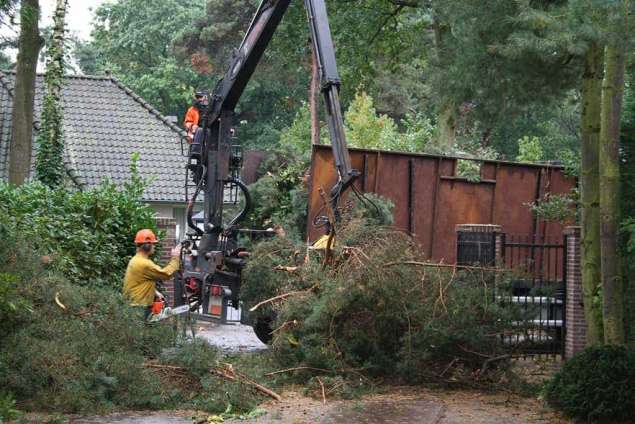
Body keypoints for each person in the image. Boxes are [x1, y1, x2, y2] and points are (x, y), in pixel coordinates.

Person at [123, 229, 181, 319]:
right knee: (143, 331)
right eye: (153, 244)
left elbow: (139, 281)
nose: (154, 247)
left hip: (135, 304)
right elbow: (166, 274)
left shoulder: (136, 259)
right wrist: (175, 257)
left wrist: (155, 292)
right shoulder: (144, 263)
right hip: (140, 307)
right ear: (147, 246)